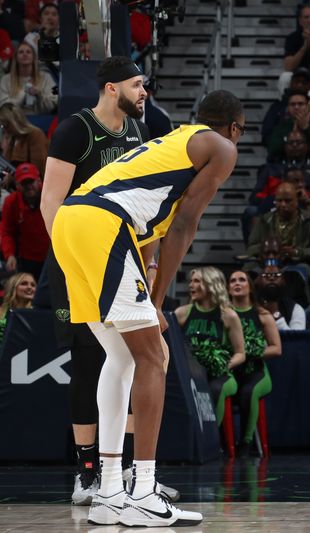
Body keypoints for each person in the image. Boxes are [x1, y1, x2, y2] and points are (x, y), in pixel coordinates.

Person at [50, 89, 243, 526]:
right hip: (103, 225)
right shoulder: (221, 147)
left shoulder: (171, 143)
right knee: (152, 354)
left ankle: (111, 492)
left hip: (71, 222)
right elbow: (183, 226)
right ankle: (143, 491)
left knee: (120, 357)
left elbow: (152, 225)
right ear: (234, 128)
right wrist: (156, 302)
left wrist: (149, 287)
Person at [38, 56, 152, 507]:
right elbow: (51, 203)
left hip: (121, 258)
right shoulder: (75, 131)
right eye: (137, 84)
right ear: (111, 88)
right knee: (88, 360)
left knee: (127, 358)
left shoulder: (136, 132)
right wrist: (70, 262)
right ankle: (87, 473)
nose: (143, 92)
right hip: (77, 260)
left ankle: (117, 470)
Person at [175, 267, 246, 428]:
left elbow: (240, 353)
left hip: (221, 376)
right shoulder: (182, 313)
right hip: (192, 374)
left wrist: (221, 365)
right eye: (191, 281)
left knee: (215, 389)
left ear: (211, 284)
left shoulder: (228, 315)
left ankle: (212, 438)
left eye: (197, 281)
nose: (191, 285)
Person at [227, 269, 281, 450]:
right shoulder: (223, 314)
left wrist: (248, 352)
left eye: (242, 280)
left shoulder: (262, 315)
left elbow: (276, 348)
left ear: (250, 287)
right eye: (233, 280)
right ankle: (222, 444)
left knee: (248, 392)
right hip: (230, 371)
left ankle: (246, 443)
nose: (237, 283)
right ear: (227, 288)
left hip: (256, 371)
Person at [0, 163, 48, 279]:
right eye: (24, 183)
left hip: (51, 257)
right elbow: (6, 231)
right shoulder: (11, 202)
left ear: (39, 181)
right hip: (26, 260)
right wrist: (9, 254)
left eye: (31, 182)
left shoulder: (49, 197)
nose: (29, 186)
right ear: (17, 185)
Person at [0, 41, 56, 113]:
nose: (25, 54)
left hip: (41, 119)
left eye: (28, 52)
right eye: (21, 52)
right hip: (14, 120)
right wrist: (23, 96)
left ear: (34, 57)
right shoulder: (6, 79)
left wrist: (39, 95)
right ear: (16, 57)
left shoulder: (46, 77)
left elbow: (53, 103)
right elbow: (3, 105)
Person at [0, 103, 49, 175]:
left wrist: (12, 178)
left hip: (29, 183)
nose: (4, 129)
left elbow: (38, 168)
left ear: (14, 122)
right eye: (2, 125)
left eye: (6, 125)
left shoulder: (35, 135)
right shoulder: (13, 138)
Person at [0, 272, 36, 343]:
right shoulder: (1, 311)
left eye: (33, 285)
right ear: (13, 287)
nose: (29, 287)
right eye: (24, 283)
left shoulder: (38, 315)